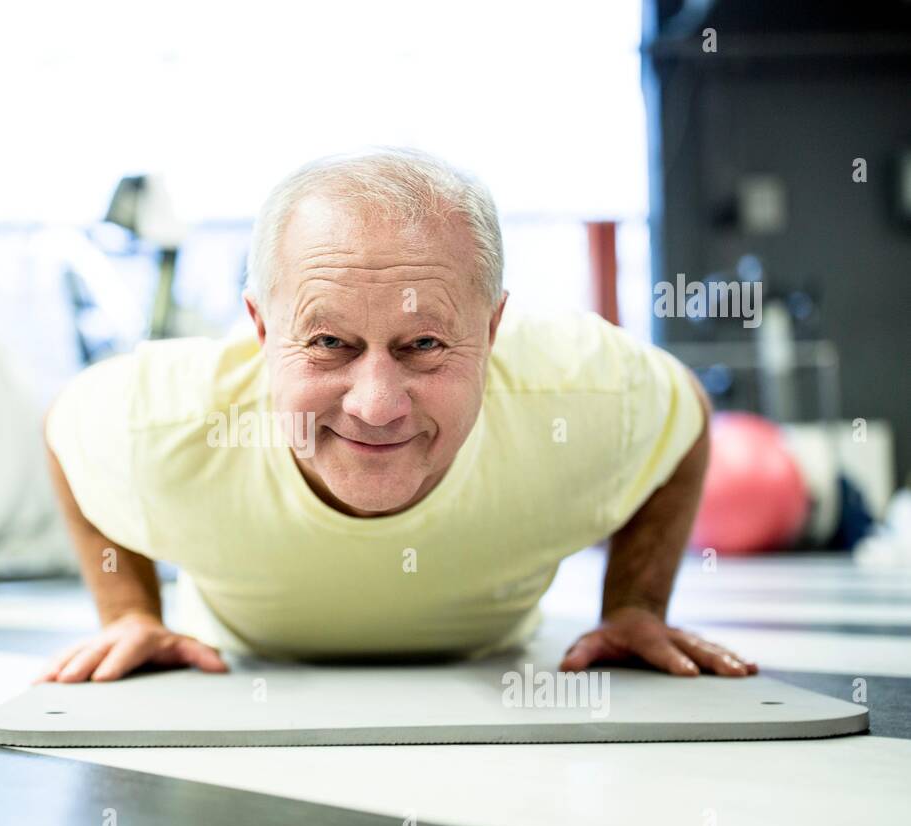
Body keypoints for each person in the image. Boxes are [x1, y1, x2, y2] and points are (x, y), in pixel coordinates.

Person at [39, 148, 757, 683]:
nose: (376, 405)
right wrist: (128, 613)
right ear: (261, 331)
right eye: (327, 343)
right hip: (241, 656)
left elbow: (685, 411)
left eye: (424, 344)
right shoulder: (162, 420)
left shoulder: (584, 394)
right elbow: (63, 429)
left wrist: (634, 605)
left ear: (494, 328)